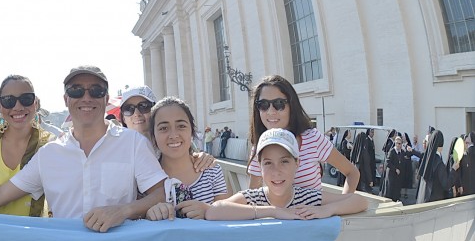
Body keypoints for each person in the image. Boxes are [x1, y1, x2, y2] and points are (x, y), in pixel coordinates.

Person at [0, 65, 168, 233]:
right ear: (66, 99)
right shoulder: (50, 153)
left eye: (96, 91)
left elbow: (161, 194)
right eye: (76, 91)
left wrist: (124, 210)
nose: (86, 97)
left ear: (106, 97)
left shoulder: (133, 144)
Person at [205, 128, 367, 220]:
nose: (276, 171)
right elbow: (214, 210)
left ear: (297, 164)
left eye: (284, 161)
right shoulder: (253, 198)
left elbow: (359, 201)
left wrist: (328, 209)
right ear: (259, 167)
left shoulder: (309, 198)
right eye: (268, 163)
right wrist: (273, 211)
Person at [247, 75, 359, 192]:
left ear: (292, 105)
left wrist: (339, 207)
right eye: (263, 105)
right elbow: (253, 196)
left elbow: (352, 172)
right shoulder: (260, 146)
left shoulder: (312, 138)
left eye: (279, 104)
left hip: (313, 209)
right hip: (277, 211)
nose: (270, 111)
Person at [0, 75, 53, 217]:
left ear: (35, 103)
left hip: (34, 235)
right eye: (9, 101)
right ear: (0, 106)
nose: (18, 107)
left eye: (26, 99)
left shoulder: (50, 146)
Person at [145, 97, 230, 221]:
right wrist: (148, 215)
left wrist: (208, 210)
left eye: (181, 126)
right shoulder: (145, 179)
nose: (173, 135)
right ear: (153, 135)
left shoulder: (212, 171)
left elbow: (227, 216)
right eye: (163, 128)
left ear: (192, 131)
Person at [418, 130, 454, 203]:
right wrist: (454, 169)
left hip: (423, 200)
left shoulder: (427, 159)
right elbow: (446, 184)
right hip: (434, 203)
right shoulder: (438, 163)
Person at [383, 136, 404, 202]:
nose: (398, 145)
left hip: (398, 174)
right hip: (391, 173)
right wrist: (395, 169)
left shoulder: (402, 152)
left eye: (400, 143)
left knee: (397, 187)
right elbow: (388, 162)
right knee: (390, 188)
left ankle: (396, 198)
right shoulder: (392, 151)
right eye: (397, 143)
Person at [454, 131, 474, 196]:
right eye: (465, 143)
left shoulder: (467, 154)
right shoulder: (459, 155)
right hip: (462, 186)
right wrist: (460, 185)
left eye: (467, 143)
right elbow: (458, 172)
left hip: (469, 184)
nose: (467, 145)